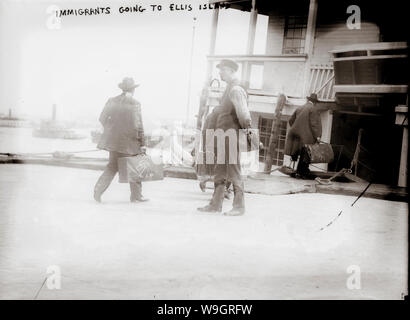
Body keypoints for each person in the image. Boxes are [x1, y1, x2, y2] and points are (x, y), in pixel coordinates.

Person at [197, 59, 252, 216]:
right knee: (220, 170)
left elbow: (244, 114)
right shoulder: (229, 88)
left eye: (222, 70)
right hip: (223, 134)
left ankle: (239, 207)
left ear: (230, 70)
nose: (219, 73)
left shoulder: (235, 89)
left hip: (231, 135)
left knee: (234, 170)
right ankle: (216, 204)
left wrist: (247, 132)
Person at [94, 77, 148, 203]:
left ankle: (98, 190)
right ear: (133, 90)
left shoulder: (112, 101)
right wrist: (142, 143)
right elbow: (138, 125)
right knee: (134, 168)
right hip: (130, 142)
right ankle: (136, 196)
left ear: (122, 89)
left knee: (112, 167)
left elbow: (102, 118)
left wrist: (112, 130)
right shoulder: (135, 103)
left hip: (113, 142)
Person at [284, 93, 322, 179]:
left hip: (296, 136)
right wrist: (318, 136)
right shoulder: (313, 109)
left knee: (298, 153)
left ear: (308, 100)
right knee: (306, 154)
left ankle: (298, 172)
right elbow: (314, 124)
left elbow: (290, 120)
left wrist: (296, 128)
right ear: (315, 102)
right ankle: (302, 172)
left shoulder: (299, 108)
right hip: (306, 138)